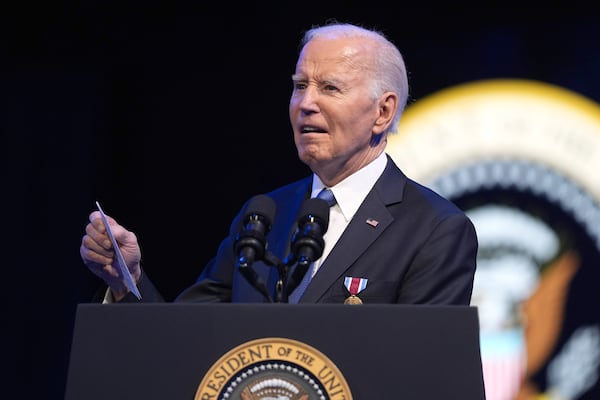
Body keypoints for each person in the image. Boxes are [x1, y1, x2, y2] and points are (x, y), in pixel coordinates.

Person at [80, 21, 478, 305]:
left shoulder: (436, 230)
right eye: (300, 86)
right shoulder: (264, 217)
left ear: (382, 112)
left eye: (330, 88)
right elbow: (184, 345)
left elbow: (421, 373)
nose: (306, 103)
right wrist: (127, 279)